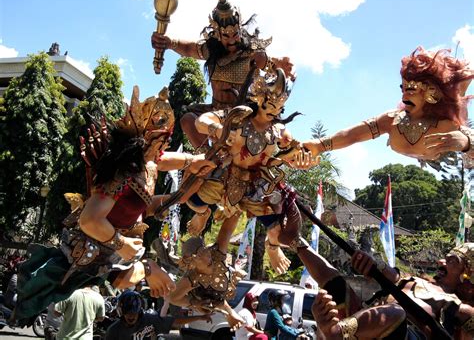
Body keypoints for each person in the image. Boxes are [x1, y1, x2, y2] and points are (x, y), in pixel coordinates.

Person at [13, 85, 215, 326]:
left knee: (179, 198)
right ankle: (148, 268)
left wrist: (195, 162)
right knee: (115, 280)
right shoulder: (122, 173)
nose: (162, 148)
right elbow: (89, 220)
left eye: (165, 141)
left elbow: (166, 161)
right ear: (143, 140)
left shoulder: (148, 163)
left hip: (122, 245)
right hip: (98, 249)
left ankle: (148, 268)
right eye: (158, 142)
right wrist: (124, 245)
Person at [184, 69, 316, 274]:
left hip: (257, 185)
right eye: (272, 105)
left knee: (278, 229)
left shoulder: (279, 129)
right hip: (226, 175)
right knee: (192, 199)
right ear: (259, 99)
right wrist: (219, 129)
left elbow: (291, 149)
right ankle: (203, 213)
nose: (276, 111)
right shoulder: (238, 117)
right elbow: (200, 122)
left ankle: (271, 248)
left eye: (281, 107)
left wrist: (299, 159)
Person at [151, 0, 294, 149]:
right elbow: (188, 48)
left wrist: (282, 66)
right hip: (215, 113)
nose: (232, 40)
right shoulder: (211, 51)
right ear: (218, 33)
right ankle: (208, 159)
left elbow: (274, 66)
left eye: (235, 34)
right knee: (188, 120)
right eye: (226, 35)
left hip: (244, 115)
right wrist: (168, 42)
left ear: (240, 29)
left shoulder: (252, 53)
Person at [303, 47, 474, 166]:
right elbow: (352, 135)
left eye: (411, 90)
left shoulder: (448, 125)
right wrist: (319, 146)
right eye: (403, 88)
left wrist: (466, 143)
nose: (404, 95)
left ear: (431, 93)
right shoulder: (391, 119)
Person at [299, 240, 474, 339]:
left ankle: (336, 332)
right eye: (446, 258)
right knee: (335, 283)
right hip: (367, 327)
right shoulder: (410, 280)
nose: (441, 262)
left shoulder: (461, 308)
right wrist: (370, 263)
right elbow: (385, 271)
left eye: (452, 261)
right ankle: (294, 241)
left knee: (395, 313)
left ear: (468, 278)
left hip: (404, 336)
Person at [105, 290, 212, 340]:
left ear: (139, 311)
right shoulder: (114, 331)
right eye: (127, 313)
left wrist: (200, 317)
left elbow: (175, 321)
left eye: (134, 313)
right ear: (121, 312)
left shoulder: (150, 319)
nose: (131, 316)